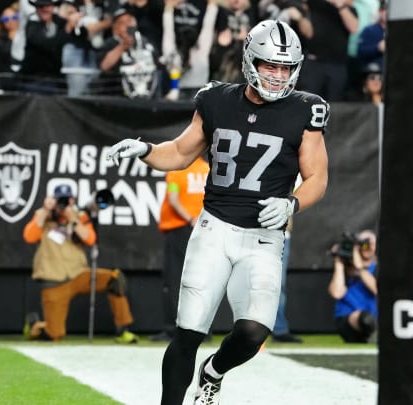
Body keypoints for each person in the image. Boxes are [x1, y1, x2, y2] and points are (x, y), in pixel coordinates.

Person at [107, 19, 329, 405]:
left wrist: (293, 202)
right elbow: (179, 152)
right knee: (189, 330)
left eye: (285, 68)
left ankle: (214, 372)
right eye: (269, 66)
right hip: (214, 228)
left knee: (254, 331)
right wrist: (145, 150)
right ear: (249, 61)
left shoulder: (306, 110)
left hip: (264, 236)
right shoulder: (216, 99)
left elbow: (318, 177)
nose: (278, 76)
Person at [22, 184, 139, 343]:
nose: (63, 204)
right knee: (54, 335)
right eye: (59, 200)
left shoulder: (80, 217)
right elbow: (29, 237)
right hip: (54, 281)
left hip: (79, 275)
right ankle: (35, 325)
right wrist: (45, 211)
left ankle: (123, 331)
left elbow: (90, 239)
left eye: (67, 200)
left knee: (115, 278)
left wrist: (73, 220)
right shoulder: (43, 217)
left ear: (72, 201)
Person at [151, 157, 209, 342]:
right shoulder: (208, 170)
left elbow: (173, 199)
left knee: (175, 279)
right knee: (203, 280)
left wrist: (190, 219)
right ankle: (202, 331)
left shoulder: (177, 170)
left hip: (180, 228)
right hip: (206, 229)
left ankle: (173, 330)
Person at [327, 229, 377, 343]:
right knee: (365, 319)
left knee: (369, 319)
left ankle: (372, 334)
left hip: (373, 319)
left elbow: (376, 289)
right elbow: (336, 293)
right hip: (348, 320)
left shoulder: (377, 267)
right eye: (365, 244)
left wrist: (360, 267)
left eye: (372, 244)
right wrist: (339, 263)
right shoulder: (346, 268)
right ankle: (371, 336)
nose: (369, 247)